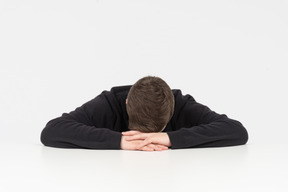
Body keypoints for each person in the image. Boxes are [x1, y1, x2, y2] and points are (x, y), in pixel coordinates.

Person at [40, 76, 248, 151]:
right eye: (137, 131)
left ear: (171, 110)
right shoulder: (110, 102)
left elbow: (237, 131)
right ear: (127, 103)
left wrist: (168, 138)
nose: (144, 140)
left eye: (151, 133)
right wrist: (119, 141)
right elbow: (52, 130)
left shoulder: (180, 103)